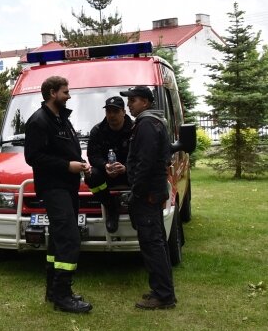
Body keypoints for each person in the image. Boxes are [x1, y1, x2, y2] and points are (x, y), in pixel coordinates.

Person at [24, 76, 93, 313]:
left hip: (68, 186)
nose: (69, 95)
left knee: (57, 238)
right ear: (52, 93)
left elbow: (67, 149)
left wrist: (81, 163)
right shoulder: (39, 121)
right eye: (65, 92)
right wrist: (67, 166)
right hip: (54, 187)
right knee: (69, 238)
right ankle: (64, 296)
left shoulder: (61, 118)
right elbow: (33, 157)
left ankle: (53, 291)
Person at [120, 85, 176, 310]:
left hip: (148, 195)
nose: (129, 105)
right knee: (156, 243)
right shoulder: (150, 123)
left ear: (145, 101)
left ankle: (163, 295)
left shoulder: (146, 125)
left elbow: (145, 163)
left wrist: (137, 192)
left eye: (132, 100)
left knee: (152, 244)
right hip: (151, 192)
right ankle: (161, 289)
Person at [85, 96, 133, 233]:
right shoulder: (97, 130)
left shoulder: (135, 128)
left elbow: (142, 156)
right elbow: (92, 156)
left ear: (124, 112)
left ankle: (135, 209)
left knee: (142, 172)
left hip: (129, 172)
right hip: (107, 173)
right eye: (108, 111)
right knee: (91, 175)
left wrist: (126, 168)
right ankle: (110, 207)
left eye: (115, 111)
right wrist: (105, 166)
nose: (111, 115)